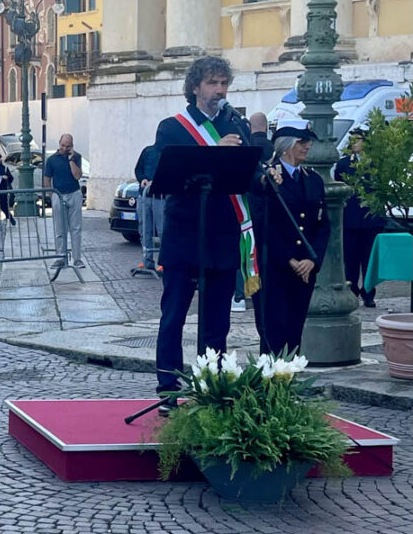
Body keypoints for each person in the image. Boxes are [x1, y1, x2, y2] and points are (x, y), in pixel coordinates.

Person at [150, 56, 258, 410]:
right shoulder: (173, 127)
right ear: (195, 87)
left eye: (224, 84)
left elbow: (248, 173)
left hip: (223, 238)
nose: (220, 91)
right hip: (184, 236)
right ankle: (168, 389)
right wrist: (214, 151)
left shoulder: (236, 125)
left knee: (217, 321)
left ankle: (209, 385)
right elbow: (169, 173)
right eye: (212, 83)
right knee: (174, 317)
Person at [252, 120, 330, 355]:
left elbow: (323, 224)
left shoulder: (313, 179)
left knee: (295, 330)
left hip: (305, 268)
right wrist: (289, 258)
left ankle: (290, 383)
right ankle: (271, 385)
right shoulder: (268, 178)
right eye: (302, 142)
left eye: (308, 142)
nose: (307, 146)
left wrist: (312, 260)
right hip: (276, 266)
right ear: (286, 146)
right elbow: (263, 224)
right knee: (274, 330)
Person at [334, 127, 385, 308]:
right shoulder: (344, 164)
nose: (354, 144)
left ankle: (369, 293)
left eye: (358, 140)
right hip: (351, 219)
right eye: (353, 140)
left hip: (371, 220)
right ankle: (352, 290)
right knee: (351, 260)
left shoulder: (377, 164)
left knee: (369, 260)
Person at [43, 134, 83, 269]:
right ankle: (61, 257)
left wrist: (71, 160)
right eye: (63, 145)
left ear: (72, 145)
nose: (65, 148)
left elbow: (77, 175)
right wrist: (50, 194)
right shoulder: (52, 160)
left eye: (68, 146)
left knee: (76, 228)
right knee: (59, 228)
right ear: (59, 143)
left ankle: (77, 259)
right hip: (58, 195)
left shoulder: (76, 157)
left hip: (74, 193)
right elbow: (47, 178)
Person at [134, 143, 164, 273]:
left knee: (163, 230)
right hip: (144, 196)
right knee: (144, 229)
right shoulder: (147, 151)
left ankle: (164, 263)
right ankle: (147, 261)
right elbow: (138, 169)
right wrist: (143, 179)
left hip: (160, 197)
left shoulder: (167, 152)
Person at [0, 150, 15, 225]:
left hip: (2, 189)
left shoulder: (4, 168)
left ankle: (10, 217)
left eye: (0, 156)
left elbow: (11, 178)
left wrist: (6, 177)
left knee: (3, 205)